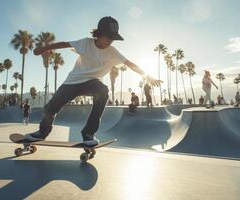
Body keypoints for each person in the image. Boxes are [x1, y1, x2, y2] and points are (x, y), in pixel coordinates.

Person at [24, 16, 161, 147]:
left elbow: (130, 64)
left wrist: (148, 76)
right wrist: (44, 48)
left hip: (92, 83)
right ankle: (43, 132)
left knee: (103, 91)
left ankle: (89, 133)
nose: (110, 41)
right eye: (108, 37)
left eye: (113, 39)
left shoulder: (113, 52)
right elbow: (64, 44)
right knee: (50, 108)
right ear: (99, 34)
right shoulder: (85, 43)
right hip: (72, 82)